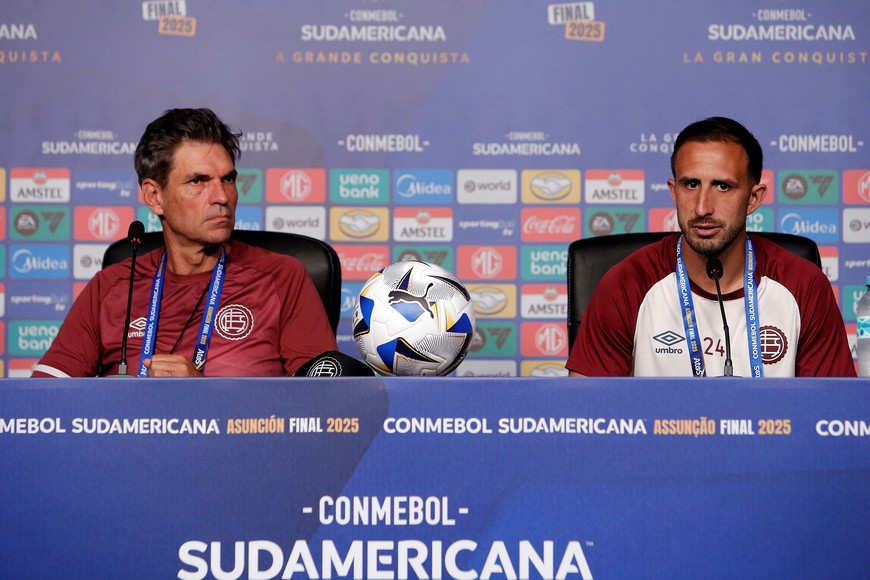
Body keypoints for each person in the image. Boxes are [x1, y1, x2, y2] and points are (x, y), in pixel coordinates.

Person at [33, 108, 337, 378]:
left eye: (228, 179)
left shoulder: (283, 278)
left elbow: (320, 406)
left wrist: (198, 397)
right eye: (198, 181)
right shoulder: (110, 287)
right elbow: (43, 400)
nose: (222, 197)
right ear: (155, 196)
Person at [566, 116, 855, 377]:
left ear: (753, 198)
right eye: (691, 185)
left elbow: (831, 410)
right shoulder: (627, 283)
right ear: (674, 192)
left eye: (723, 186)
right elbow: (584, 410)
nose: (702, 207)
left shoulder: (803, 285)